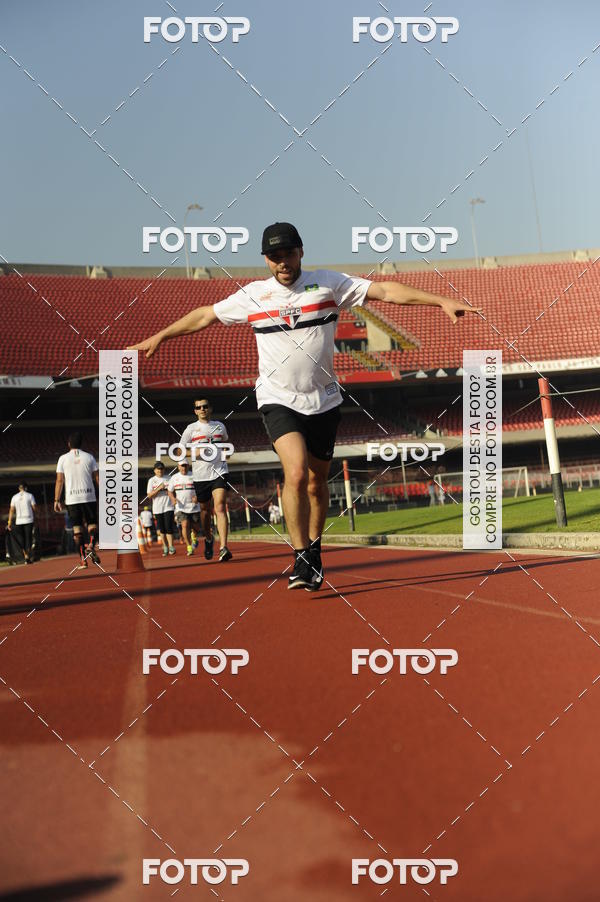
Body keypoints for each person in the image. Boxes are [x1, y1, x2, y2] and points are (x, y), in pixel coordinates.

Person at [129, 222, 479, 591]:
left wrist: (440, 300)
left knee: (316, 483)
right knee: (295, 473)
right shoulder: (254, 295)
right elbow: (205, 315)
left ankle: (314, 549)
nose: (282, 262)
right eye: (274, 257)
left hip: (325, 400)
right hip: (278, 399)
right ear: (266, 259)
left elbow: (385, 290)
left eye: (288, 254)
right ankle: (299, 555)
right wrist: (162, 335)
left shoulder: (328, 283)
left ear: (300, 252)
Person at [180, 398, 232, 562]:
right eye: (198, 407)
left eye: (205, 406)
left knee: (220, 506)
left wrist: (226, 452)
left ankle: (223, 547)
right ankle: (209, 539)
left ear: (210, 408)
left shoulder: (220, 426)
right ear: (195, 411)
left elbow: (226, 443)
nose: (202, 409)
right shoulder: (191, 429)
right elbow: (179, 451)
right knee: (205, 511)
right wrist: (194, 454)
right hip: (201, 475)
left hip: (219, 471)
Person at [54, 431, 100, 569]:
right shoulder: (89, 457)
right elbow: (97, 477)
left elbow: (59, 480)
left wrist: (57, 500)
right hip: (89, 496)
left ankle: (83, 560)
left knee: (77, 530)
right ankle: (91, 545)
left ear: (69, 444)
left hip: (72, 499)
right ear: (81, 444)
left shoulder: (63, 459)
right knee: (92, 525)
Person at [167, 460, 200, 557]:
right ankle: (189, 546)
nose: (183, 468)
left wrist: (197, 496)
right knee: (185, 525)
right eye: (182, 466)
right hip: (181, 507)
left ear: (188, 466)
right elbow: (169, 491)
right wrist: (173, 498)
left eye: (185, 466)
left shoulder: (194, 476)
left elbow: (200, 488)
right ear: (178, 467)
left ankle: (194, 536)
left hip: (194, 506)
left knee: (196, 527)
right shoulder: (174, 478)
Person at [146, 462, 176, 556]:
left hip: (168, 506)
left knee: (168, 527)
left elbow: (175, 491)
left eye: (162, 469)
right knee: (162, 529)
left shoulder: (169, 478)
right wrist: (159, 488)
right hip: (157, 508)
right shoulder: (152, 480)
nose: (160, 471)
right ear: (155, 470)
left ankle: (171, 546)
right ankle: (165, 546)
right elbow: (149, 495)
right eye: (158, 469)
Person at [7, 481, 37, 564]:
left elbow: (11, 510)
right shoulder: (30, 495)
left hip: (19, 520)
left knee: (21, 539)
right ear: (26, 488)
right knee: (29, 538)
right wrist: (36, 517)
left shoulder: (14, 497)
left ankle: (25, 555)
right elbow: (34, 508)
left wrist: (9, 522)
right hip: (29, 519)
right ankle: (29, 555)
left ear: (19, 488)